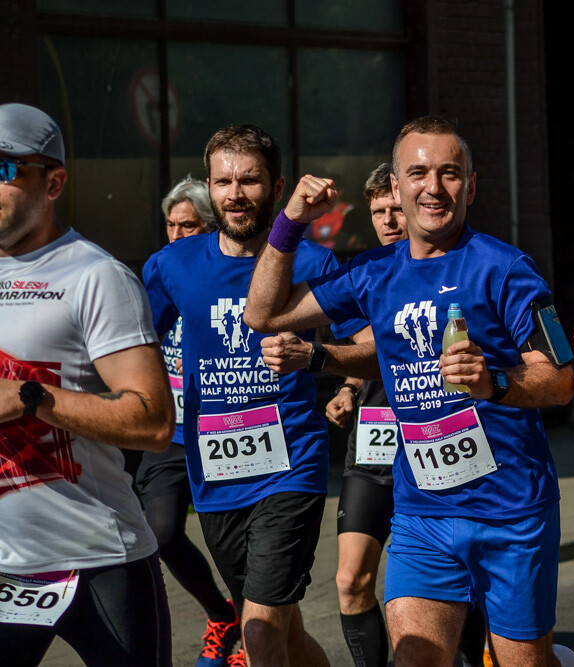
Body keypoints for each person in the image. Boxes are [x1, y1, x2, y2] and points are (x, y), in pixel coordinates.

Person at [244, 116, 574, 667]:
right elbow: (263, 313)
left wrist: (494, 382)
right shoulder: (372, 271)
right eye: (418, 173)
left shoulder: (505, 268)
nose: (434, 187)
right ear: (396, 188)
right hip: (422, 513)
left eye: (450, 174)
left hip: (512, 512)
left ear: (469, 187)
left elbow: (562, 380)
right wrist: (290, 223)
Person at [143, 125, 354, 667]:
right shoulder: (173, 265)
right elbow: (137, 345)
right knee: (283, 633)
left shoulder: (313, 264)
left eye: (250, 180)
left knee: (257, 631)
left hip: (292, 466)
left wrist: (330, 366)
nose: (235, 193)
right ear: (209, 188)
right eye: (223, 181)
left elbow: (372, 342)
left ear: (277, 186)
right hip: (213, 473)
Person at [0, 103, 175, 665]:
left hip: (99, 560)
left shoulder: (96, 277)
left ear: (53, 182)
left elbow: (151, 421)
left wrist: (33, 399)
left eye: (6, 169)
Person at [134, 175, 241, 667]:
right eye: (171, 226)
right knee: (161, 533)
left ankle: (257, 631)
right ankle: (222, 615)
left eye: (189, 226)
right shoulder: (160, 276)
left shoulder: (222, 277)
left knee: (240, 546)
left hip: (223, 430)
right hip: (172, 435)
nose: (177, 236)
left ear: (211, 227)